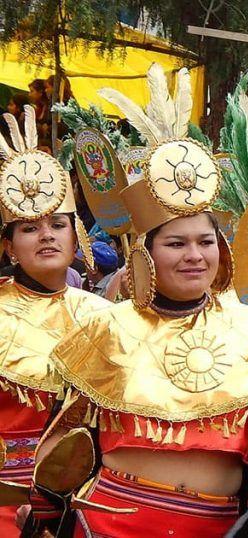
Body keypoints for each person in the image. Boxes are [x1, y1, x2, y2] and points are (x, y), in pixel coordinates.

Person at [26, 65, 248, 537]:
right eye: (176, 244)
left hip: (216, 526)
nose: (195, 256)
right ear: (145, 253)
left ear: (221, 248)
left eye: (205, 242)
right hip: (105, 524)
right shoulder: (105, 329)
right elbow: (63, 444)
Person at [0, 106, 111, 535]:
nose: (46, 234)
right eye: (29, 228)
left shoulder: (105, 316)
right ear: (9, 247)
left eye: (57, 224)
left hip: (83, 501)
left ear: (75, 236)